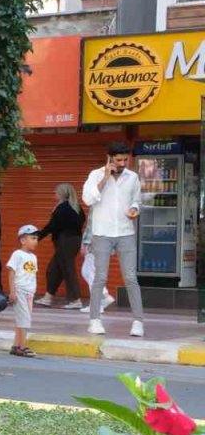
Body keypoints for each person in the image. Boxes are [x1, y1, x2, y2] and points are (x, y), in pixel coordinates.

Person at [81, 141, 143, 337]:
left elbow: (137, 200)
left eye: (126, 159)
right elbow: (88, 199)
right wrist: (105, 178)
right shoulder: (95, 174)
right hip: (102, 232)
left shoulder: (132, 177)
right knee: (100, 277)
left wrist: (135, 209)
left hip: (125, 231)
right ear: (109, 158)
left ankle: (138, 321)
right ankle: (94, 320)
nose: (123, 163)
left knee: (131, 278)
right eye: (119, 160)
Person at [37, 183, 86, 309]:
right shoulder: (77, 208)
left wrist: (38, 237)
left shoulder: (62, 208)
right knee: (54, 269)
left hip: (65, 241)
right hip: (74, 241)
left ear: (61, 193)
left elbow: (52, 226)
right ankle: (48, 297)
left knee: (68, 270)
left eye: (56, 192)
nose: (55, 194)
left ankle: (75, 300)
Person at [6, 225, 41, 358]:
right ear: (22, 240)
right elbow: (11, 272)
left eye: (36, 239)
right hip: (20, 290)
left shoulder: (33, 257)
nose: (35, 241)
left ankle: (16, 346)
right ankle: (22, 346)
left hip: (29, 293)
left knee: (23, 319)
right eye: (32, 238)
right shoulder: (17, 254)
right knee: (24, 320)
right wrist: (12, 291)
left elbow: (32, 276)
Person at [80, 214, 117, 315]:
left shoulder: (98, 206)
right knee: (88, 272)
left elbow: (91, 226)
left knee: (90, 272)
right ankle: (103, 297)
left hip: (95, 243)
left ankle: (98, 303)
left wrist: (86, 242)